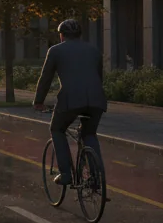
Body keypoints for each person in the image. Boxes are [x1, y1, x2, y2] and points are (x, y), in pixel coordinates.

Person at [33, 19, 107, 186]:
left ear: (62, 35)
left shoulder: (55, 51)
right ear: (80, 35)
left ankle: (66, 174)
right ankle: (96, 178)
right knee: (89, 134)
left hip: (70, 100)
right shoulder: (94, 50)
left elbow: (46, 78)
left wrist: (39, 101)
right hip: (96, 100)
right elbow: (98, 77)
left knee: (57, 129)